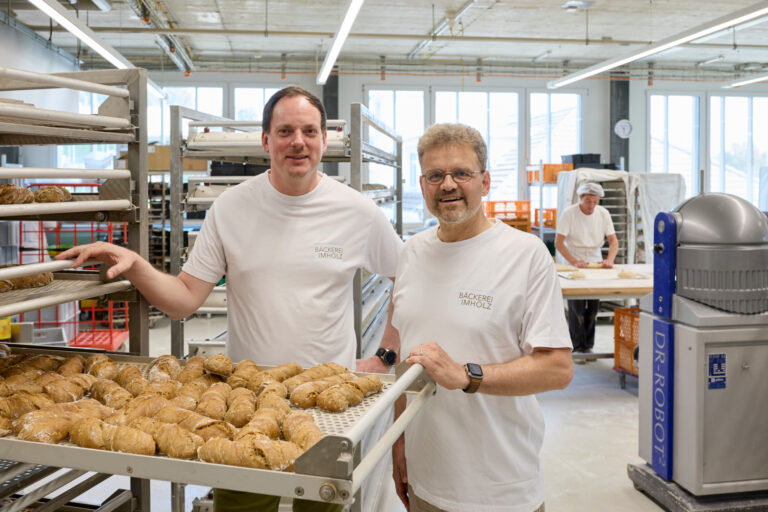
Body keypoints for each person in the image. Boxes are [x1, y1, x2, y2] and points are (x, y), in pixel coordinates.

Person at [57, 86, 402, 512]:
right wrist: (135, 264)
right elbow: (184, 299)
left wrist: (385, 354)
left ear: (324, 141)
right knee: (242, 506)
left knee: (321, 506)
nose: (298, 141)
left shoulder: (357, 211)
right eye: (285, 130)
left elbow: (407, 279)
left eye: (309, 131)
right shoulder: (233, 207)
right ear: (265, 141)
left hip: (324, 406)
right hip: (244, 405)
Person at [390, 123, 573, 512]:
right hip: (426, 478)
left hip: (500, 490)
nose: (448, 185)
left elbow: (557, 368)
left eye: (462, 173)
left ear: (485, 181)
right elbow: (405, 360)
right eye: (435, 175)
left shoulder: (525, 255)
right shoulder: (411, 253)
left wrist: (467, 376)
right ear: (423, 184)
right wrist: (399, 440)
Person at [554, 182, 618, 359]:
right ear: (580, 198)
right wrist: (574, 261)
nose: (591, 206)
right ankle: (576, 347)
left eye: (595, 202)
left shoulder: (603, 213)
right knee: (577, 308)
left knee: (593, 307)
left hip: (594, 261)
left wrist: (609, 260)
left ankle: (588, 346)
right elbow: (558, 243)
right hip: (572, 260)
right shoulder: (570, 213)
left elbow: (613, 242)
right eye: (588, 201)